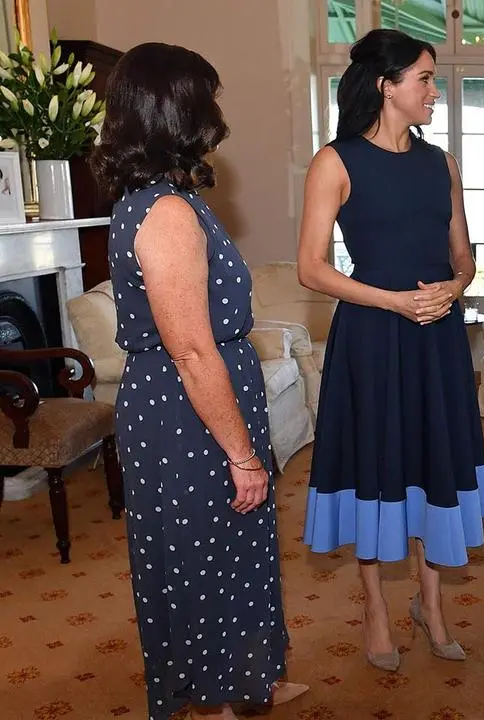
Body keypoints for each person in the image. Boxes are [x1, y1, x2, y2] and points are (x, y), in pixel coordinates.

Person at [89, 42, 308, 720]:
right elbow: (191, 351)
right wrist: (243, 455)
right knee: (205, 565)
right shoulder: (167, 213)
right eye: (206, 96)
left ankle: (242, 683)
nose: (217, 111)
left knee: (220, 556)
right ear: (176, 109)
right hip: (186, 416)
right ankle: (214, 701)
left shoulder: (156, 200)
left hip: (184, 410)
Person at [298, 28, 484, 672]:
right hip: (374, 338)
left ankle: (432, 604)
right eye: (425, 80)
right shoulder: (335, 161)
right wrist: (393, 301)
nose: (435, 91)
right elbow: (310, 269)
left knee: (433, 461)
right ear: (387, 86)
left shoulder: (443, 163)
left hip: (437, 335)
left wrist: (455, 285)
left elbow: (463, 254)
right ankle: (377, 607)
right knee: (377, 463)